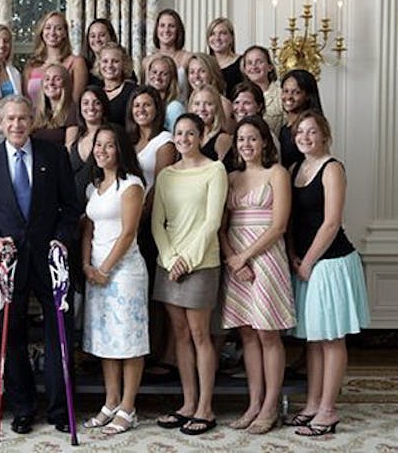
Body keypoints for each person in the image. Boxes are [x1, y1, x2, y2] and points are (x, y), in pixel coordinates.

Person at [0, 95, 80, 435]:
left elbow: (70, 208)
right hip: (10, 260)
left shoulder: (54, 154)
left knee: (57, 334)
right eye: (10, 119)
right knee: (12, 334)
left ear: (32, 121)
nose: (17, 125)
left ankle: (60, 409)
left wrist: (62, 239)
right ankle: (22, 408)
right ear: (0, 124)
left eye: (23, 118)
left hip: (50, 258)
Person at [285, 111, 370, 437]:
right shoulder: (295, 169)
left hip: (330, 262)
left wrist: (308, 262)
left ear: (324, 135)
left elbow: (331, 222)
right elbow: (294, 221)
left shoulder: (332, 168)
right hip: (305, 262)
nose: (304, 137)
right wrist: (295, 254)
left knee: (331, 339)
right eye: (299, 133)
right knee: (313, 340)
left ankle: (329, 410)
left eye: (311, 131)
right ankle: (312, 403)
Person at [152, 113, 228, 436]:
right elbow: (157, 222)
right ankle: (188, 402)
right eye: (179, 133)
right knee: (179, 334)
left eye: (190, 133)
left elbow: (213, 222)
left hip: (200, 263)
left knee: (200, 335)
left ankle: (206, 408)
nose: (183, 139)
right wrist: (170, 259)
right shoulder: (167, 175)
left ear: (201, 135)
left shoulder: (215, 170)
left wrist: (187, 260)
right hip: (169, 266)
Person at [219, 116, 296, 434]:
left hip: (265, 256)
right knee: (247, 333)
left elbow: (279, 226)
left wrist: (245, 257)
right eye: (241, 139)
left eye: (253, 138)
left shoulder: (276, 173)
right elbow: (220, 225)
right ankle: (254, 402)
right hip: (235, 258)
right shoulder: (232, 176)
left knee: (267, 332)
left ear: (265, 142)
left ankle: (270, 405)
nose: (247, 145)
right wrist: (231, 259)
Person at [81, 124, 149, 435]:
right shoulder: (94, 187)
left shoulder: (131, 184)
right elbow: (89, 229)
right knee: (106, 340)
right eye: (98, 145)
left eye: (109, 145)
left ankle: (128, 407)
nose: (102, 151)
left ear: (120, 149)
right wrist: (86, 264)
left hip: (123, 273)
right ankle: (110, 401)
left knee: (128, 340)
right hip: (96, 272)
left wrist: (105, 268)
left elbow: (128, 232)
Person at [126, 86, 176, 378]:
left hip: (151, 223)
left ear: (157, 109)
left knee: (154, 290)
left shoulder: (164, 141)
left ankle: (159, 355)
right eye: (137, 105)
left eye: (147, 105)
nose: (142, 110)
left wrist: (138, 218)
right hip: (131, 222)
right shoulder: (131, 140)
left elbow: (160, 186)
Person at [23, 11, 87, 104]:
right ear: (42, 32)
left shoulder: (77, 63)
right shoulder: (31, 66)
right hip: (34, 118)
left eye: (58, 28)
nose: (52, 32)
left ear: (65, 33)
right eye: (48, 28)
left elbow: (76, 102)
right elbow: (25, 102)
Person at [67, 85, 110, 207]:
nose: (91, 107)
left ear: (103, 107)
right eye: (85, 103)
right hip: (74, 209)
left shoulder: (113, 136)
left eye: (96, 103)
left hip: (101, 208)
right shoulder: (75, 138)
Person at [142, 9, 192, 100]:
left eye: (171, 26)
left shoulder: (188, 58)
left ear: (178, 30)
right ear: (156, 29)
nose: (166, 30)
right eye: (162, 25)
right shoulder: (147, 61)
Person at [279, 69, 323, 169]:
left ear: (307, 96)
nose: (289, 97)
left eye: (296, 92)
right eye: (285, 91)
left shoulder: (312, 125)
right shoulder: (285, 127)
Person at [241, 45, 285, 136]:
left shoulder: (282, 94)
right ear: (244, 69)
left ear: (270, 67)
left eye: (259, 62)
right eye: (249, 63)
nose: (254, 66)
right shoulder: (239, 95)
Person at [31, 63, 78, 145]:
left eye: (57, 79)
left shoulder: (73, 111)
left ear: (66, 83)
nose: (51, 83)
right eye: (47, 79)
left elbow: (69, 148)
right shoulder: (35, 112)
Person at [81, 19, 137, 87]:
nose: (97, 39)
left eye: (102, 35)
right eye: (93, 36)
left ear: (111, 37)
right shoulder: (83, 65)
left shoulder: (122, 64)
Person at [186, 53, 234, 132]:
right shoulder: (189, 100)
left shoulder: (223, 104)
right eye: (192, 72)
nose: (196, 76)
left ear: (212, 73)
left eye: (202, 71)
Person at [189, 85, 233, 170]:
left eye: (208, 104)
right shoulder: (186, 137)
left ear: (217, 108)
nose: (202, 109)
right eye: (197, 104)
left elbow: (224, 173)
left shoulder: (222, 139)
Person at [144, 54, 186, 132]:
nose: (157, 77)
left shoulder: (174, 107)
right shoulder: (143, 102)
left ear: (171, 78)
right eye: (154, 72)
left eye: (164, 74)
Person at [99, 42, 138, 126]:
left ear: (124, 64)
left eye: (115, 61)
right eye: (105, 61)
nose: (109, 65)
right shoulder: (95, 92)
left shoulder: (133, 91)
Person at [206, 17, 243, 98]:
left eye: (222, 33)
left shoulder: (242, 62)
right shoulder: (204, 63)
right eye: (212, 34)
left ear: (231, 38)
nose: (217, 38)